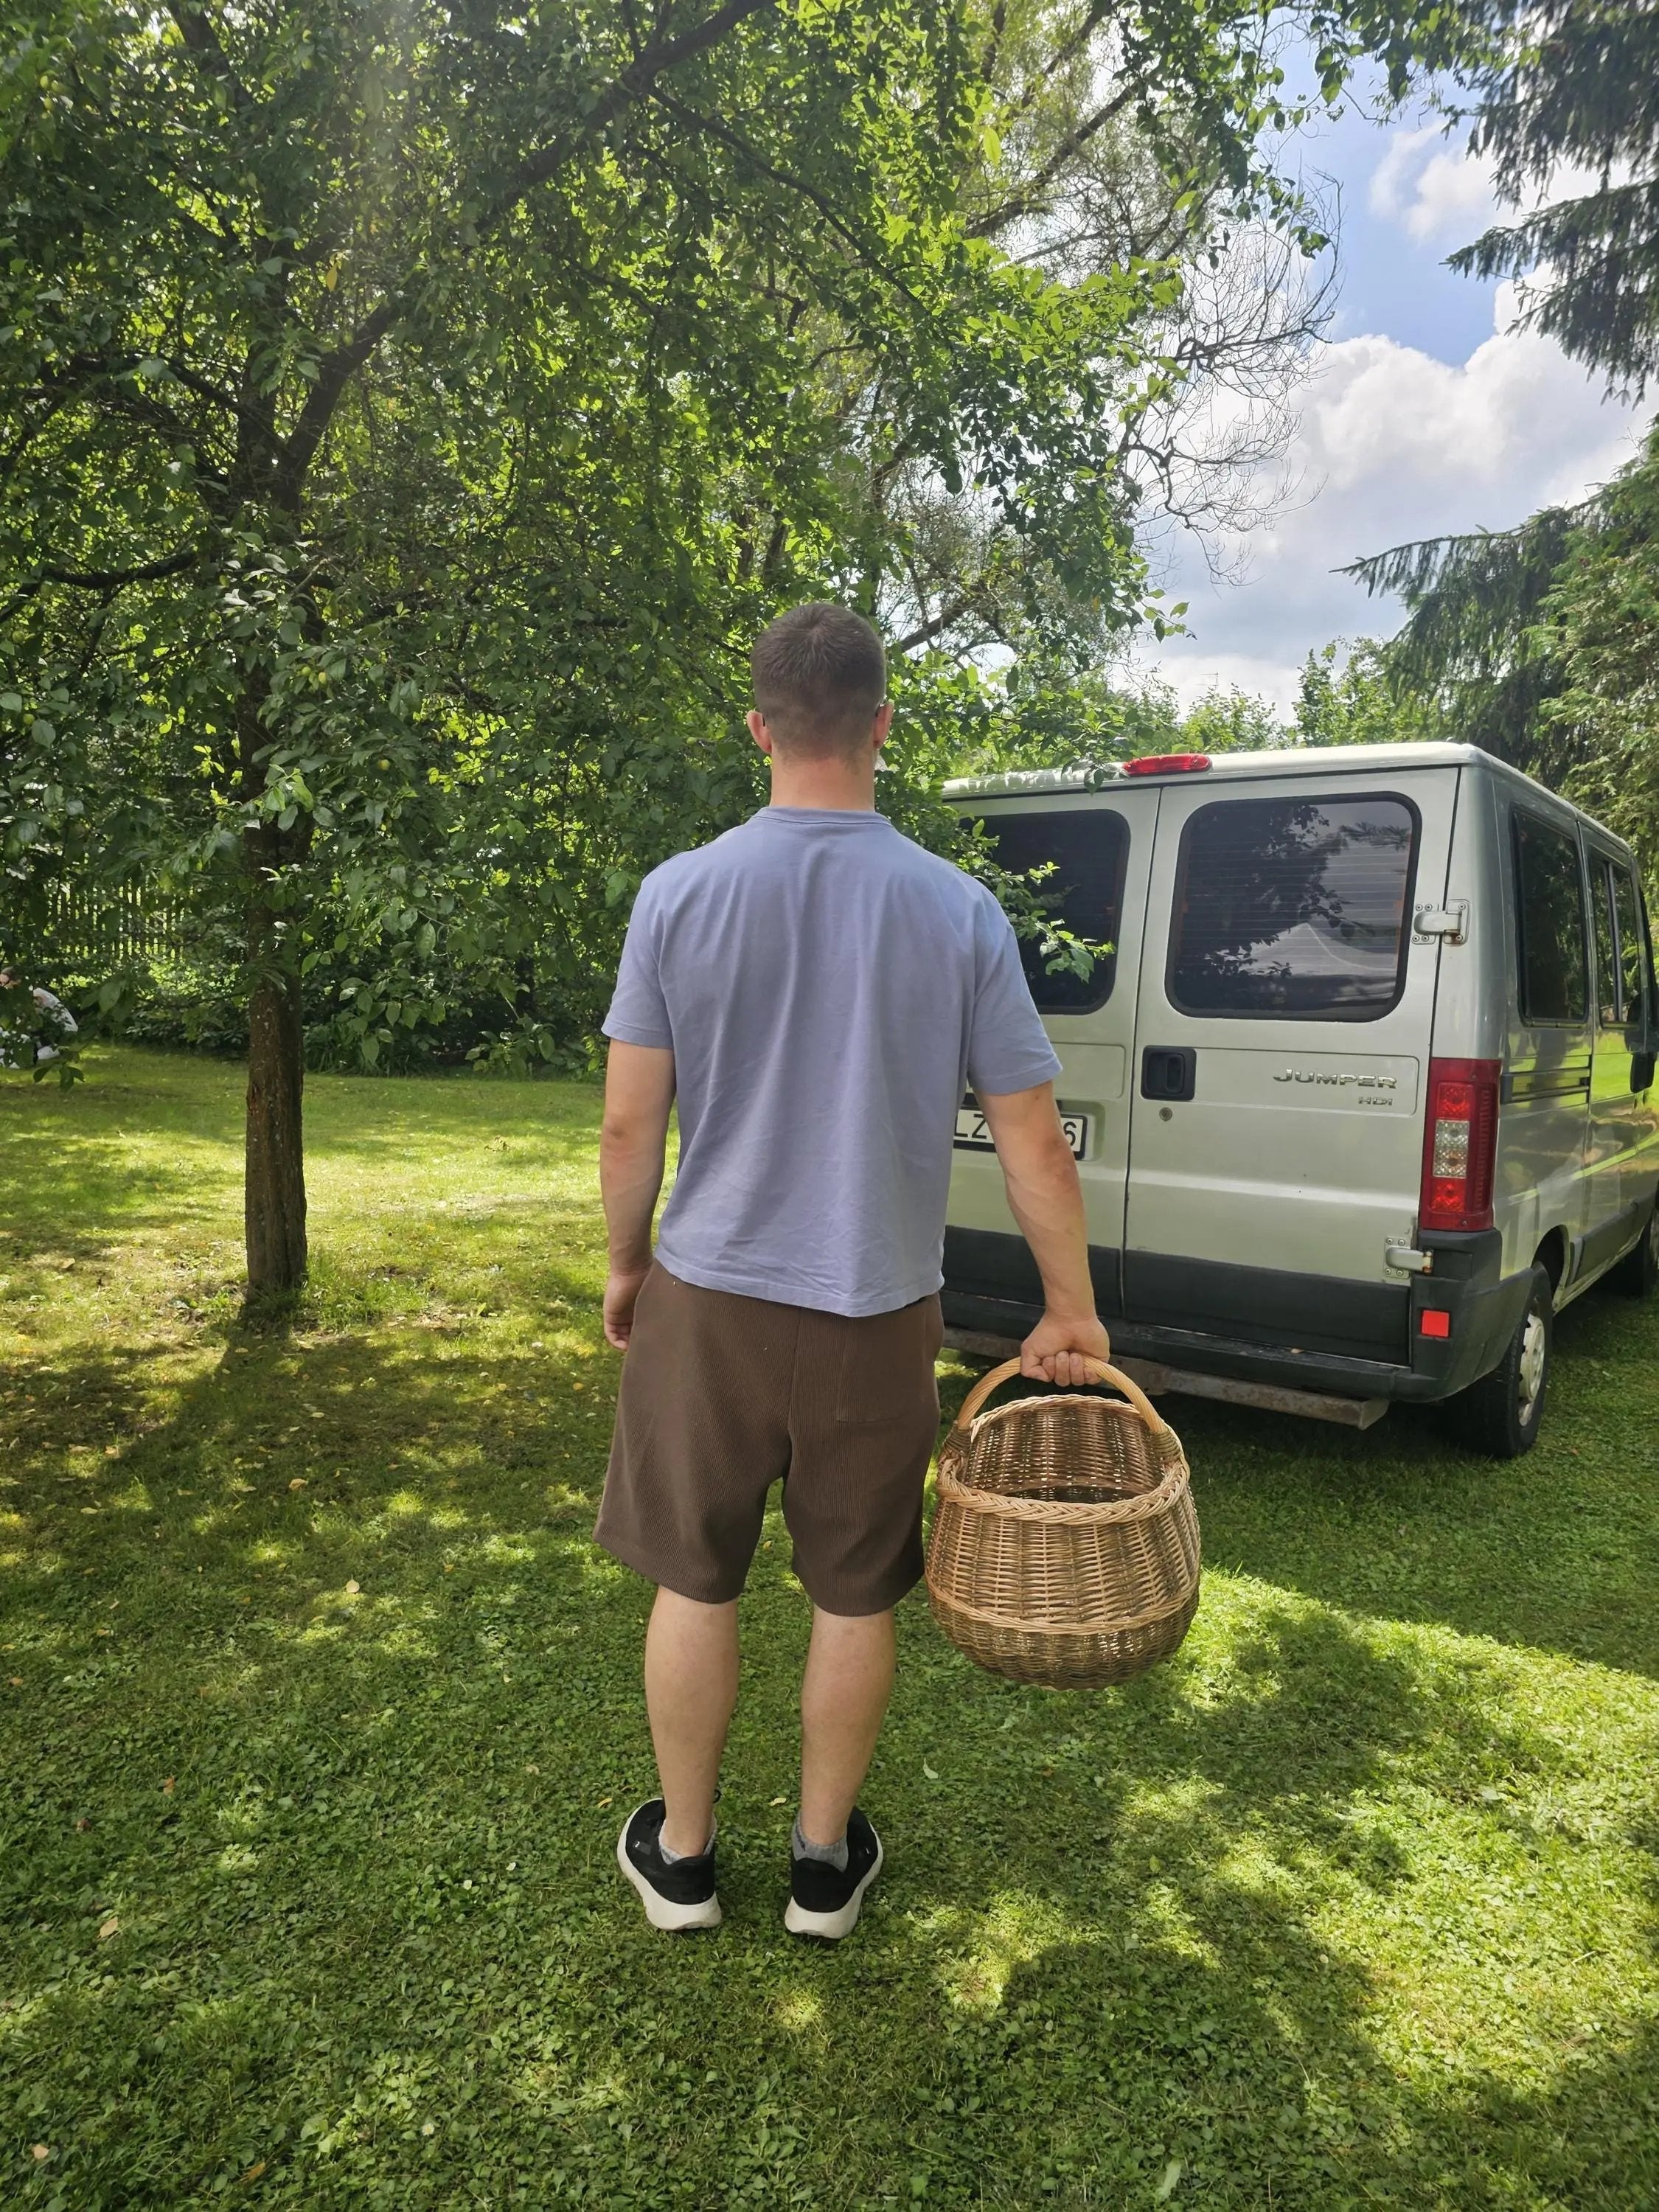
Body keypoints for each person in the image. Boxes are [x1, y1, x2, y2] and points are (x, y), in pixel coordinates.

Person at [595, 602, 1110, 1939]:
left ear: (760, 728)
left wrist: (623, 1265)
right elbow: (1036, 1142)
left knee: (694, 1577)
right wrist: (1072, 1309)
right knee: (852, 1586)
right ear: (883, 725)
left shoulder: (678, 895)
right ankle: (822, 1868)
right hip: (878, 1309)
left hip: (704, 1301)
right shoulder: (958, 911)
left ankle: (687, 1863)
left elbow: (626, 1122)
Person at [0, 971, 77, 1068]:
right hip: (47, 1034)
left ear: (17, 982)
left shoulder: (35, 994)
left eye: (4, 983)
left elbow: (29, 1019)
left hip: (62, 1034)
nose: (2, 987)